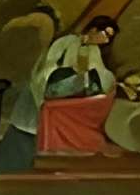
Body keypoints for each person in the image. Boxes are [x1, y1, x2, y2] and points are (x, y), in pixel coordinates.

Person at [20, 14, 129, 157]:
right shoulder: (68, 41)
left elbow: (99, 72)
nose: (106, 39)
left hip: (84, 86)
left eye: (109, 37)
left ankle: (89, 143)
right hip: (60, 83)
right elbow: (51, 64)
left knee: (106, 81)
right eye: (105, 33)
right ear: (94, 29)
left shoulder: (95, 50)